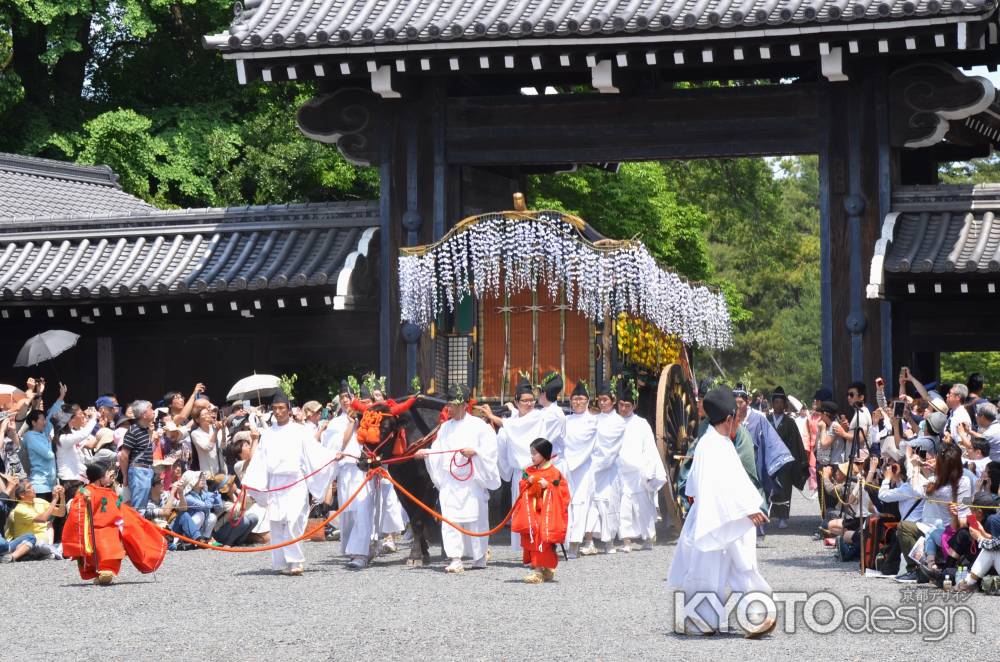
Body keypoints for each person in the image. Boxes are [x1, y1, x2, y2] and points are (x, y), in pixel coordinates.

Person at [668, 386, 775, 638]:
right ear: (729, 419)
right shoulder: (713, 445)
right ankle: (701, 620)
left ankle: (754, 616)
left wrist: (747, 508)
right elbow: (718, 486)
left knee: (737, 566)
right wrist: (747, 508)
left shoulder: (712, 443)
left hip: (724, 516)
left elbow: (720, 482)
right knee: (711, 570)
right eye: (736, 419)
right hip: (715, 517)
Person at [242, 391, 338, 575]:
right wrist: (252, 480)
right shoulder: (268, 434)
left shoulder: (300, 431)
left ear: (289, 410)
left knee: (294, 520)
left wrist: (333, 457)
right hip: (276, 483)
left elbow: (315, 452)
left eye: (282, 408)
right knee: (277, 522)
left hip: (295, 481)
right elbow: (260, 460)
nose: (278, 412)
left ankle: (295, 561)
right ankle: (281, 562)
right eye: (275, 409)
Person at [415, 384, 500, 573]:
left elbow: (491, 450)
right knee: (450, 518)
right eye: (449, 405)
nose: (449, 409)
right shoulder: (445, 428)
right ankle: (455, 557)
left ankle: (479, 556)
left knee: (476, 519)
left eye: (453, 405)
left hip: (472, 480)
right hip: (451, 481)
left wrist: (475, 451)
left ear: (463, 405)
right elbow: (438, 449)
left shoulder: (479, 426)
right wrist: (427, 453)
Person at [62, 460, 167, 585]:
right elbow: (77, 510)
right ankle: (101, 572)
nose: (111, 476)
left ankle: (106, 571)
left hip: (111, 528)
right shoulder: (86, 492)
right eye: (108, 474)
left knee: (112, 548)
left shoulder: (110, 492)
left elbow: (121, 509)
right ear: (100, 477)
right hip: (94, 530)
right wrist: (85, 500)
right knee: (102, 548)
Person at [488, 375, 545, 553]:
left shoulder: (537, 417)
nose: (529, 404)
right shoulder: (514, 421)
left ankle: (536, 549)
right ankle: (525, 550)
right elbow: (509, 430)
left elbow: (512, 427)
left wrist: (491, 416)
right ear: (517, 401)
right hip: (519, 475)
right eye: (525, 401)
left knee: (534, 512)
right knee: (521, 513)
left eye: (531, 400)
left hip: (535, 473)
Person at [615, 377, 667, 552]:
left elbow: (649, 448)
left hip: (638, 470)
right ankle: (626, 540)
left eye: (627, 406)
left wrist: (649, 468)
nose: (623, 409)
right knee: (623, 505)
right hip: (620, 470)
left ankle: (648, 537)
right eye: (621, 405)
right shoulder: (614, 423)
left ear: (634, 406)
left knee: (642, 505)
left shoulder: (641, 424)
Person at [734, 384, 793, 535]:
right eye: (735, 402)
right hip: (735, 463)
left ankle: (758, 524)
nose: (737, 406)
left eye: (740, 402)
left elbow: (771, 440)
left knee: (757, 491)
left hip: (755, 462)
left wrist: (776, 460)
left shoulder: (758, 419)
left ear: (748, 401)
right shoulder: (731, 418)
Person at [512, 438, 570, 584]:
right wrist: (527, 482)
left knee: (542, 540)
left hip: (546, 515)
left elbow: (563, 493)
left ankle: (539, 571)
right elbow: (522, 486)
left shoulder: (554, 473)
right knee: (532, 539)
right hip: (532, 514)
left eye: (534, 453)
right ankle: (541, 568)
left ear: (544, 454)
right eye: (531, 453)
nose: (532, 456)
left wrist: (549, 487)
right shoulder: (528, 471)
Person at [581, 380, 626, 555]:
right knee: (591, 502)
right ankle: (589, 540)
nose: (602, 403)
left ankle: (609, 541)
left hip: (608, 470)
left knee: (609, 504)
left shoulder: (619, 422)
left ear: (613, 401)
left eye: (605, 400)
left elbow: (611, 446)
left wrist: (598, 463)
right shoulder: (594, 419)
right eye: (600, 400)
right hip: (592, 467)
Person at [562, 380, 597, 557]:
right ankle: (567, 541)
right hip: (567, 469)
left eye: (581, 398)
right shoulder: (565, 420)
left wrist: (572, 459)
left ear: (587, 401)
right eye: (574, 399)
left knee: (581, 504)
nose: (577, 402)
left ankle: (576, 543)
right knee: (567, 503)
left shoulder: (592, 421)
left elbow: (584, 442)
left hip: (583, 469)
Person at [766, 386, 808, 528]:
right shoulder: (766, 420)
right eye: (775, 402)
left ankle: (783, 517)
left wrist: (798, 462)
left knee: (784, 488)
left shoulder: (790, 422)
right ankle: (767, 514)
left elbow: (796, 444)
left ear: (785, 405)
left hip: (784, 462)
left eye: (780, 403)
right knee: (769, 487)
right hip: (769, 460)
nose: (778, 405)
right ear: (772, 404)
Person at [5, 480, 65, 559]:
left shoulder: (39, 501)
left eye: (32, 486)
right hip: (29, 543)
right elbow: (43, 519)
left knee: (63, 543)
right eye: (29, 488)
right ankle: (52, 552)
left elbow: (61, 513)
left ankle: (52, 551)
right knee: (41, 546)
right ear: (22, 495)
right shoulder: (20, 509)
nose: (33, 489)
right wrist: (54, 500)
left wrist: (62, 496)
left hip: (45, 542)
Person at [120, 400, 160, 511]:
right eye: (150, 409)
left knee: (143, 507)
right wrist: (125, 477)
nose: (153, 411)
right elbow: (124, 455)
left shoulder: (146, 430)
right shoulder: (133, 430)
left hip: (147, 471)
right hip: (139, 471)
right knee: (138, 508)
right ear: (143, 414)